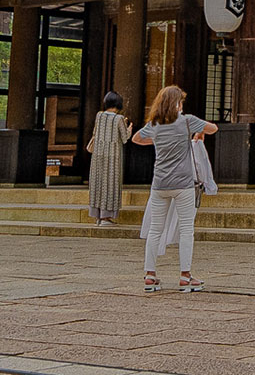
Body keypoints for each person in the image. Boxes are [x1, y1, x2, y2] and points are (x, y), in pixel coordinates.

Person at [131, 84, 216, 292]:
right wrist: (197, 133)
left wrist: (157, 141)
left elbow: (136, 138)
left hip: (160, 184)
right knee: (186, 228)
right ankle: (185, 275)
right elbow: (213, 128)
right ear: (177, 104)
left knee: (155, 229)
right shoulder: (187, 121)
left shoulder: (154, 124)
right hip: (183, 184)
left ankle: (150, 275)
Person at [87, 91, 132, 225]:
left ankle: (97, 215)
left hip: (98, 155)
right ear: (119, 104)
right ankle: (106, 217)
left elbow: (95, 132)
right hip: (113, 156)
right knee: (110, 183)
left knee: (98, 182)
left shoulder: (99, 115)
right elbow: (125, 138)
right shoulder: (119, 119)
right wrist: (129, 128)